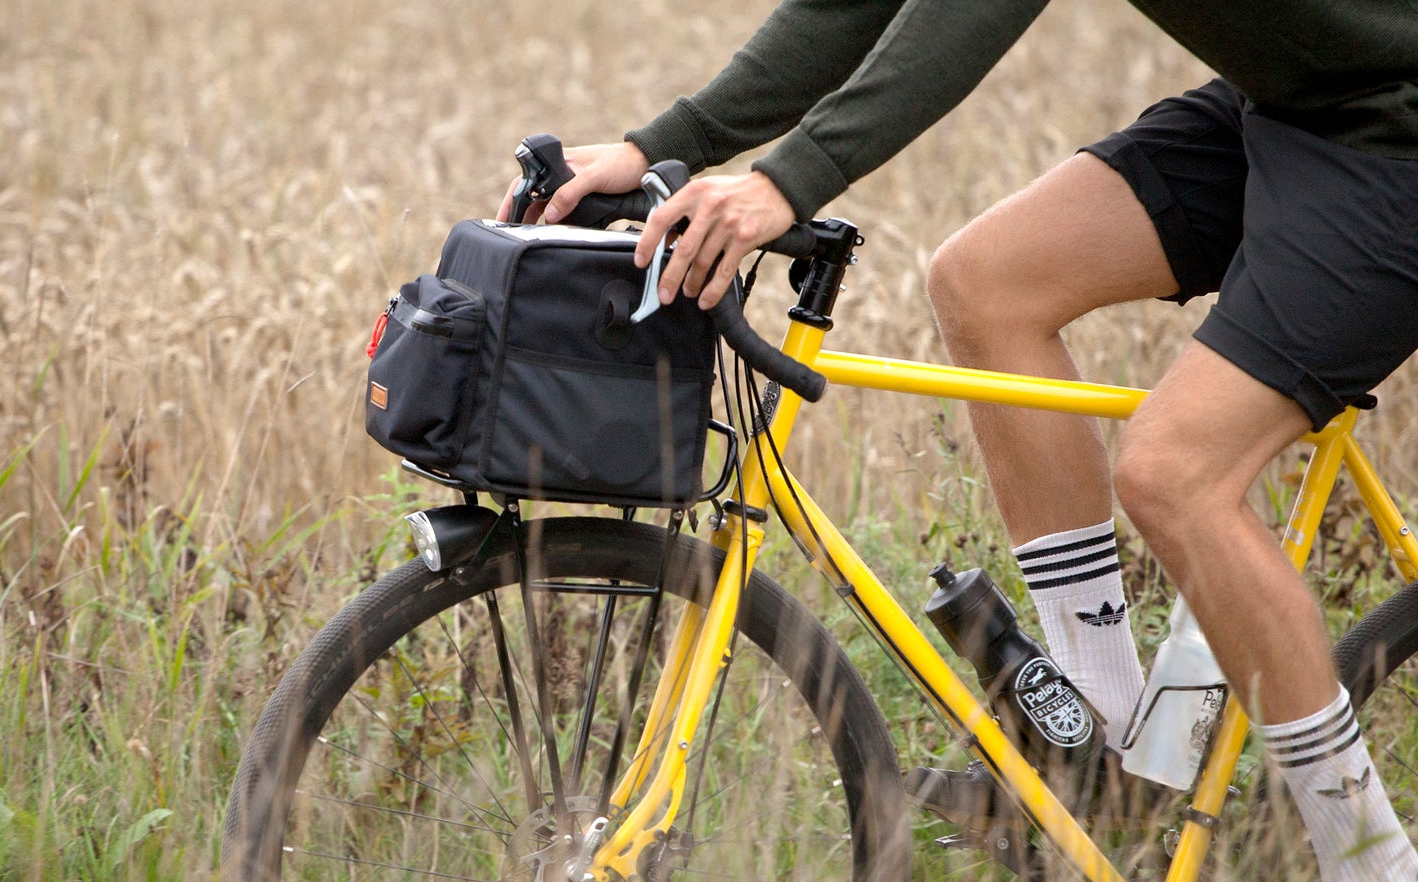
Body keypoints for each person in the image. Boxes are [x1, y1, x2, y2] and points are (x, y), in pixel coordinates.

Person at [502, 2, 1418, 879]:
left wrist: (789, 179)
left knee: (1176, 474)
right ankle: (1101, 746)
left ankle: (1369, 859)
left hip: (1397, 142)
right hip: (1295, 109)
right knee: (984, 284)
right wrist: (665, 144)